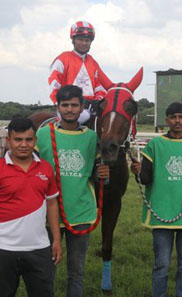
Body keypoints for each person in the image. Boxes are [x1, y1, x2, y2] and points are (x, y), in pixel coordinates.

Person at [36, 85, 110, 297]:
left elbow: (98, 176)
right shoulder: (43, 135)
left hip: (80, 213)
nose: (69, 109)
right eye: (65, 105)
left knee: (76, 273)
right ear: (57, 107)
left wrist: (104, 174)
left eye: (74, 105)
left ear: (82, 107)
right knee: (47, 270)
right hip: (48, 215)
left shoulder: (91, 138)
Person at [131, 102, 182, 297]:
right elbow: (147, 180)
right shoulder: (155, 145)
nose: (177, 121)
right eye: (173, 117)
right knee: (161, 265)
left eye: (181, 117)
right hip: (162, 213)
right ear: (167, 120)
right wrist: (138, 172)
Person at [0, 117, 62, 297]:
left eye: (28, 139)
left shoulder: (46, 168)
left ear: (35, 141)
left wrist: (56, 240)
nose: (23, 144)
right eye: (18, 139)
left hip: (39, 248)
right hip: (3, 249)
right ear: (8, 141)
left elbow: (52, 203)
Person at [48, 20, 106, 123]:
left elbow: (100, 87)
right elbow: (54, 84)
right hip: (68, 106)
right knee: (82, 117)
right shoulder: (63, 59)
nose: (84, 43)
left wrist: (97, 100)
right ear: (73, 40)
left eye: (87, 40)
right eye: (80, 39)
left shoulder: (93, 63)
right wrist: (61, 102)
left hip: (90, 107)